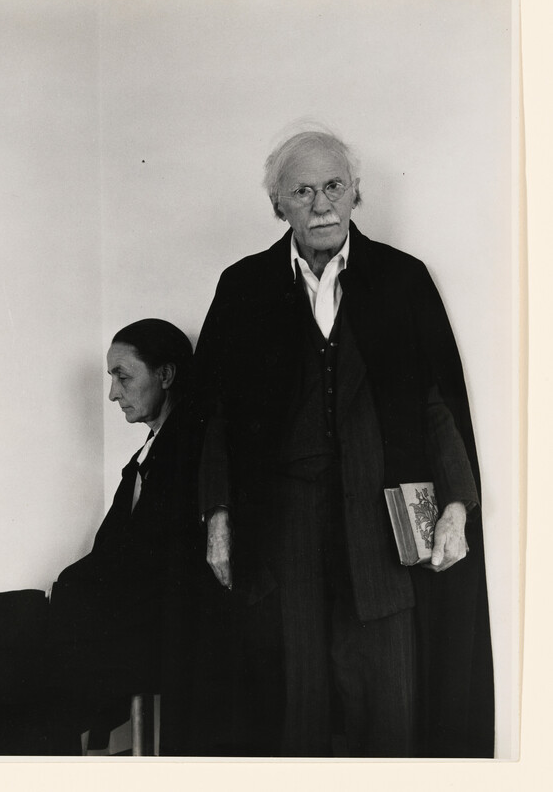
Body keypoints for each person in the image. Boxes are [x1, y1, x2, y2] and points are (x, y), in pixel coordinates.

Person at [195, 129, 494, 757]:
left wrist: (458, 506)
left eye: (333, 186)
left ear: (356, 193)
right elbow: (215, 416)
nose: (321, 203)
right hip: (283, 530)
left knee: (390, 704)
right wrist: (218, 516)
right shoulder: (242, 286)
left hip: (385, 525)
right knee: (292, 710)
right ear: (278, 205)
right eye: (301, 191)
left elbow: (437, 405)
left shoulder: (401, 279)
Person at [0, 319, 213, 756]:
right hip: (102, 618)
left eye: (123, 376)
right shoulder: (144, 459)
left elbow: (153, 564)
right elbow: (112, 554)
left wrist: (73, 600)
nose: (113, 393)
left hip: (138, 631)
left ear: (166, 375)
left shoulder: (190, 455)